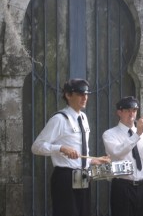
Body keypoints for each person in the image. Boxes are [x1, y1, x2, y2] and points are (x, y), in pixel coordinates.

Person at [31, 78, 110, 216]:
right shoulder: (59, 119)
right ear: (68, 95)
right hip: (65, 176)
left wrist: (92, 161)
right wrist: (60, 148)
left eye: (86, 94)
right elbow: (36, 147)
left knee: (83, 212)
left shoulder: (83, 118)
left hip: (83, 174)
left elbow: (79, 151)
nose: (85, 97)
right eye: (80, 94)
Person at [102, 96, 143, 216]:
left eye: (134, 110)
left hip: (142, 186)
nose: (131, 113)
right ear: (119, 112)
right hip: (122, 186)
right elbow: (118, 152)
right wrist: (137, 133)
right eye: (128, 110)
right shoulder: (110, 134)